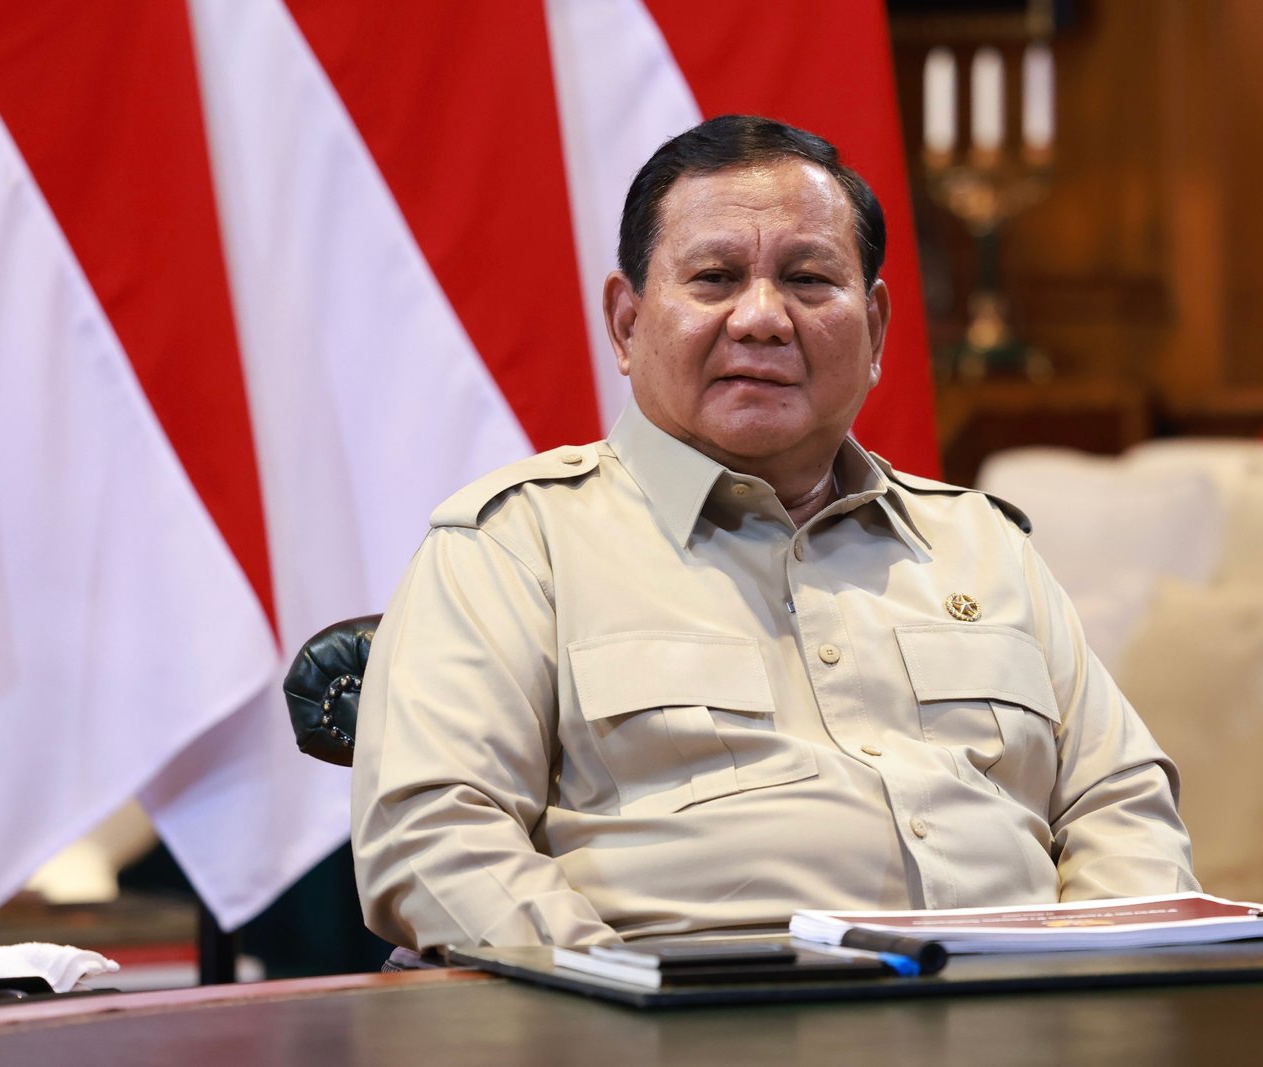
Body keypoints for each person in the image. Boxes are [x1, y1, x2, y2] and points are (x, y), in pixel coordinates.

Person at [350, 115, 1196, 953]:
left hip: (1018, 1003)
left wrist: (1103, 975)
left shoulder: (982, 543)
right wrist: (610, 990)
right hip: (681, 1011)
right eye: (715, 278)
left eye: (809, 280)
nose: (762, 318)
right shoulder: (513, 546)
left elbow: (1119, 803)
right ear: (627, 322)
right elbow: (435, 836)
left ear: (875, 330)